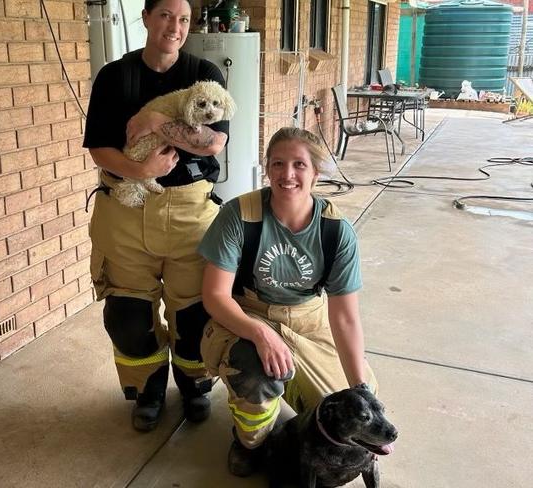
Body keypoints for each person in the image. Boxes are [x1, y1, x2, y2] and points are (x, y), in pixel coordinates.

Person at [83, 0, 229, 432]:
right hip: (125, 208)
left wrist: (153, 120)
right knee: (126, 317)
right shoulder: (115, 76)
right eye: (165, 15)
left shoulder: (205, 76)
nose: (175, 27)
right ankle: (147, 389)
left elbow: (212, 142)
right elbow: (99, 147)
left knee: (196, 314)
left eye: (184, 19)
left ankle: (194, 386)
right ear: (145, 17)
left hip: (189, 211)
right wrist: (142, 170)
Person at [198, 127, 378, 476]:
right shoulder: (240, 215)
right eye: (278, 163)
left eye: (299, 164)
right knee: (254, 372)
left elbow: (344, 318)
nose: (287, 174)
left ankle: (298, 386)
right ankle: (251, 441)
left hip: (308, 320)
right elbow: (215, 295)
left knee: (345, 418)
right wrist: (260, 335)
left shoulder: (335, 231)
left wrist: (360, 389)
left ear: (316, 172)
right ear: (267, 168)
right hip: (247, 313)